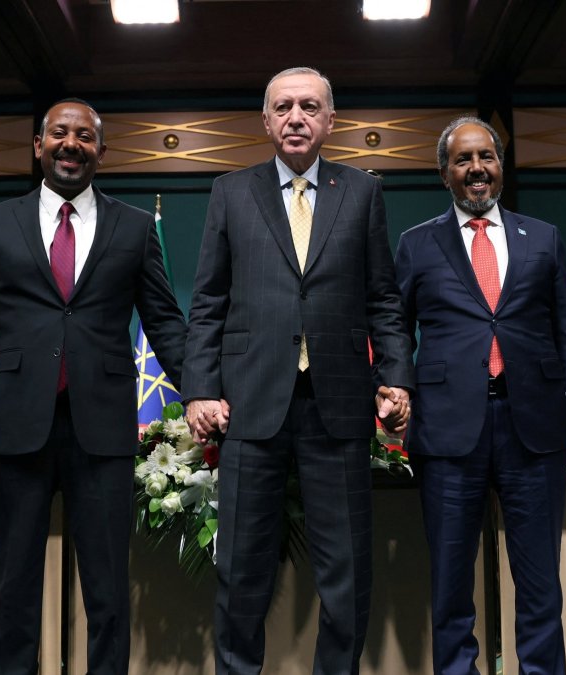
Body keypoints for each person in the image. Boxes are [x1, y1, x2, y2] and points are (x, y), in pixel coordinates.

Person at [183, 66, 415, 675]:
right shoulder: (231, 192)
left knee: (346, 573)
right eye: (283, 107)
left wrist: (396, 377)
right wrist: (200, 390)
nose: (295, 118)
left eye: (309, 107)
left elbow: (383, 299)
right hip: (250, 405)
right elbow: (207, 301)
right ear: (265, 121)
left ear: (330, 121)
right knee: (241, 570)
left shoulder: (362, 191)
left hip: (337, 405)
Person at [0, 99, 187, 675]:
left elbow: (164, 323)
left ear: (101, 153)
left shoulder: (133, 227)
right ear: (39, 145)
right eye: (59, 133)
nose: (71, 143)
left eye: (85, 136)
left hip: (101, 431)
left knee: (107, 589)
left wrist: (205, 391)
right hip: (15, 428)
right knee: (13, 585)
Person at [394, 116, 566, 675]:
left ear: (501, 167)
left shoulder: (544, 238)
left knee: (539, 585)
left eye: (486, 157)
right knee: (451, 584)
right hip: (446, 429)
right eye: (463, 160)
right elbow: (393, 331)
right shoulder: (416, 244)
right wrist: (393, 394)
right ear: (445, 174)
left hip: (532, 426)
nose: (477, 168)